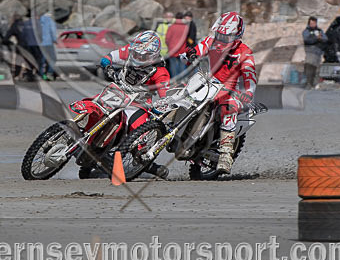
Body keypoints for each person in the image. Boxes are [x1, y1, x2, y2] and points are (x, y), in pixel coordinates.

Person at [185, 11, 257, 175]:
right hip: (207, 82)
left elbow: (250, 77)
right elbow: (193, 52)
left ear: (237, 35)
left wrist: (248, 92)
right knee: (181, 95)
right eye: (220, 35)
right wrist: (189, 54)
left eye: (226, 37)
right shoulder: (210, 42)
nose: (222, 39)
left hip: (232, 90)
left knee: (228, 108)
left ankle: (225, 154)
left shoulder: (245, 52)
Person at [100, 30, 170, 179]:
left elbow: (165, 97)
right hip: (116, 92)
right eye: (136, 53)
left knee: (138, 135)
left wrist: (161, 106)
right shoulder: (129, 50)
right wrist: (108, 68)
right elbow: (107, 58)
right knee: (94, 106)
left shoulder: (160, 72)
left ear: (152, 55)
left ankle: (147, 164)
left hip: (138, 103)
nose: (137, 57)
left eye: (142, 55)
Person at [302, 16, 327, 89]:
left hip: (318, 52)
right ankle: (309, 84)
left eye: (314, 23)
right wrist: (316, 38)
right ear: (309, 23)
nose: (313, 24)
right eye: (311, 23)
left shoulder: (320, 30)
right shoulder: (306, 31)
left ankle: (315, 84)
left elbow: (325, 39)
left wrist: (321, 38)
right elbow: (307, 40)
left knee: (317, 69)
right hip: (310, 52)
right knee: (309, 68)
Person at [164, 12, 190, 78]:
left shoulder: (171, 27)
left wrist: (169, 46)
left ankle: (175, 82)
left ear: (175, 18)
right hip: (182, 49)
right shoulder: (186, 27)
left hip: (172, 49)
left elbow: (167, 38)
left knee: (173, 66)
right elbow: (187, 39)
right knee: (182, 65)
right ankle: (182, 80)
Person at [39, 10, 59, 81]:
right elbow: (53, 31)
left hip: (40, 43)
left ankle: (41, 75)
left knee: (42, 59)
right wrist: (55, 40)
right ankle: (49, 73)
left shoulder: (39, 21)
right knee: (52, 59)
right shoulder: (50, 21)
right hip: (48, 43)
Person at [22, 11, 42, 81]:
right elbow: (41, 34)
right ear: (36, 16)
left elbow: (23, 35)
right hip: (37, 45)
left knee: (29, 60)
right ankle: (37, 74)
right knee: (38, 60)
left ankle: (29, 75)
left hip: (28, 45)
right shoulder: (38, 24)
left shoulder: (25, 23)